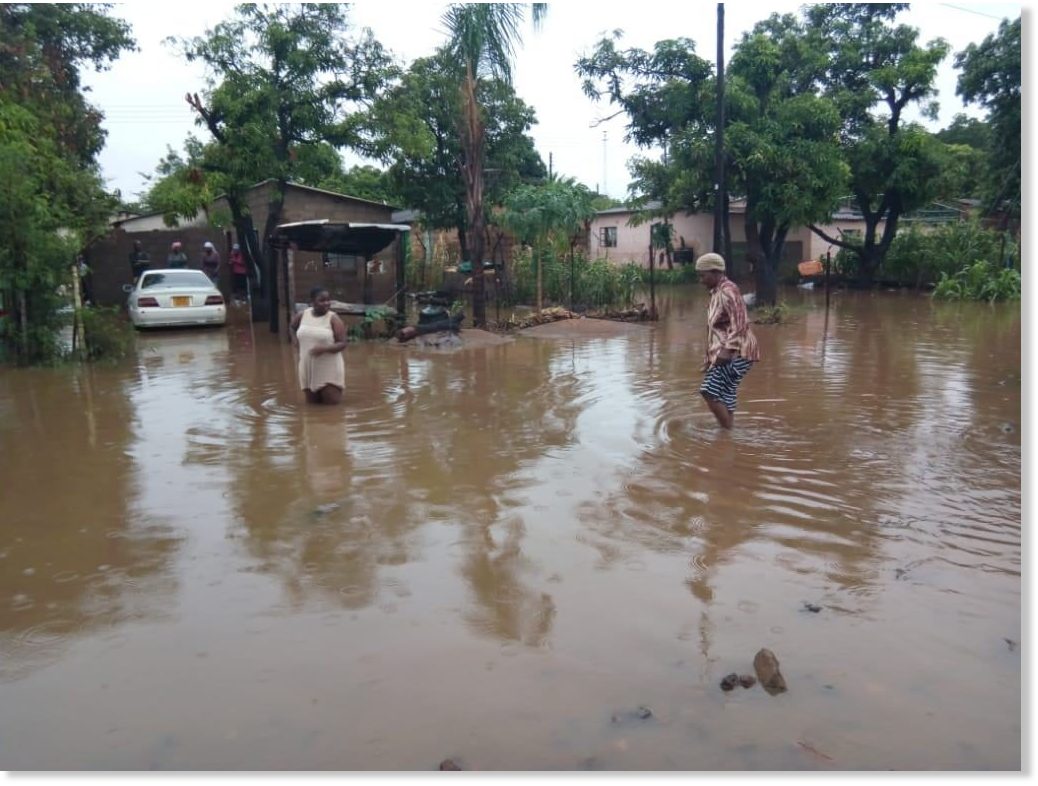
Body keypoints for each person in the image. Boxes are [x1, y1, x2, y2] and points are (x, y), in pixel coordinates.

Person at [695, 252, 761, 429]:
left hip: (739, 352)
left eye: (703, 275)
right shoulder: (716, 292)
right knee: (725, 393)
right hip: (732, 352)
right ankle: (728, 436)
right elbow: (715, 330)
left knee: (708, 392)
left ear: (716, 272)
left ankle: (726, 433)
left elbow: (740, 323)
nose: (701, 280)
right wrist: (709, 359)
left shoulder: (728, 291)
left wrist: (726, 352)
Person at [291, 287, 347, 405]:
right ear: (312, 302)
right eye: (322, 300)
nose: (326, 303)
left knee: (332, 410)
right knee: (312, 408)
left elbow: (343, 343)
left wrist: (324, 349)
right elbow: (292, 327)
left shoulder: (333, 318)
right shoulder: (302, 315)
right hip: (307, 368)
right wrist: (295, 340)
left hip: (329, 369)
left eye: (328, 300)